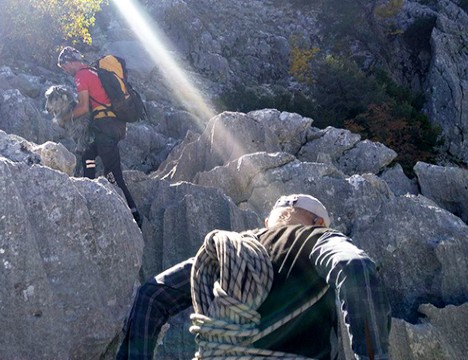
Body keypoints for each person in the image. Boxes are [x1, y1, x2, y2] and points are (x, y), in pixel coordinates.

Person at [117, 194, 391, 360]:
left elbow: (152, 296)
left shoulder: (229, 250)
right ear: (318, 221)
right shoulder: (317, 237)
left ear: (268, 222)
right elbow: (355, 268)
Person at [57, 46, 142, 227]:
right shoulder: (95, 71)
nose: (65, 70)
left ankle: (134, 217)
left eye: (64, 66)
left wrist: (64, 118)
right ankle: (88, 187)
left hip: (106, 128)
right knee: (87, 153)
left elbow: (83, 107)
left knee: (113, 175)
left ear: (71, 62)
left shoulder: (81, 75)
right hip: (114, 125)